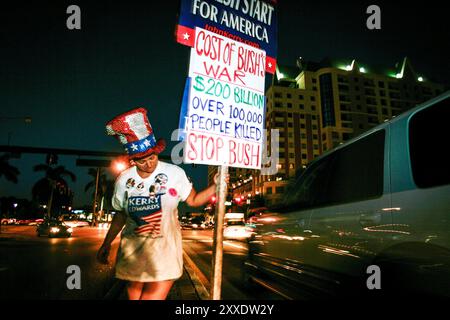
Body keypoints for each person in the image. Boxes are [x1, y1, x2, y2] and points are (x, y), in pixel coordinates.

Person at [97, 107, 226, 300]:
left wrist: (216, 186)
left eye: (152, 157)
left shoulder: (175, 173)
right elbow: (121, 215)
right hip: (133, 255)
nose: (149, 164)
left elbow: (193, 200)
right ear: (132, 160)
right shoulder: (123, 180)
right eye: (142, 161)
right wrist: (106, 243)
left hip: (164, 255)